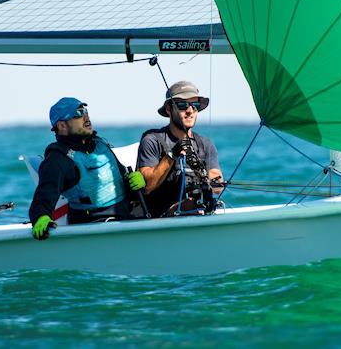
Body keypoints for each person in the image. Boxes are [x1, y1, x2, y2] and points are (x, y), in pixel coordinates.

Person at [29, 97, 146, 240]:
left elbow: (121, 184)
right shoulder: (58, 159)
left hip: (126, 219)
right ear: (62, 126)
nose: (86, 116)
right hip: (92, 229)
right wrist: (41, 217)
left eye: (85, 111)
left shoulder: (101, 145)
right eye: (78, 113)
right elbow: (44, 194)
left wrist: (135, 182)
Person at [136, 81, 223, 218]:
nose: (190, 111)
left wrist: (208, 179)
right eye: (182, 105)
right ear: (169, 109)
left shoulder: (206, 144)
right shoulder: (152, 140)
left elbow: (217, 186)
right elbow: (148, 186)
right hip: (157, 220)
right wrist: (172, 155)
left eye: (195, 106)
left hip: (195, 215)